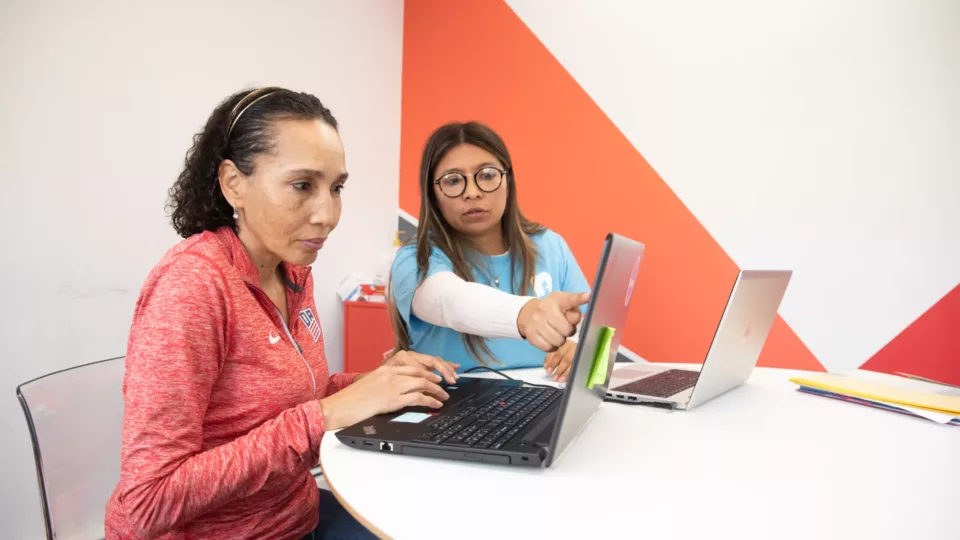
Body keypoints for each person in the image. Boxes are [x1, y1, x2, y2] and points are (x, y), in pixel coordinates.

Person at [104, 87, 459, 540]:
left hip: (295, 518)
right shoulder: (193, 285)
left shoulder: (291, 269)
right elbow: (147, 502)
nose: (327, 215)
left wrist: (377, 384)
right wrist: (325, 416)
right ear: (234, 183)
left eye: (336, 188)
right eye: (302, 186)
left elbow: (293, 396)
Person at [389, 121, 591, 383]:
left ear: (507, 179)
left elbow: (594, 328)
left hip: (544, 404)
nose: (472, 193)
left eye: (486, 175)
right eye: (453, 180)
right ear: (433, 193)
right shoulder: (415, 258)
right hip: (451, 411)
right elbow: (448, 300)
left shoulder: (550, 245)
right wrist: (526, 314)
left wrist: (579, 346)